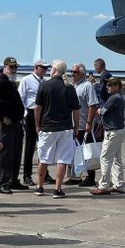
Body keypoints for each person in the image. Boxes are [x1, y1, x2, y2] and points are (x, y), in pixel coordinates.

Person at [33, 60, 80, 198]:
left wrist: (37, 124)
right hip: (65, 128)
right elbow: (76, 109)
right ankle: (57, 189)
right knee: (62, 159)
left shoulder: (44, 85)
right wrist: (76, 126)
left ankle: (39, 186)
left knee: (43, 158)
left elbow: (37, 108)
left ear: (53, 70)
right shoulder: (69, 87)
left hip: (47, 127)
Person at [0, 56, 24, 194]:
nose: (13, 70)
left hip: (15, 123)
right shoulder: (0, 82)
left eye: (15, 67)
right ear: (5, 67)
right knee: (4, 153)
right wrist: (2, 118)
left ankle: (12, 180)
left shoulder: (10, 82)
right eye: (11, 67)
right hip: (6, 124)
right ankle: (1, 183)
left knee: (15, 153)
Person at [90, 77, 125, 195]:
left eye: (110, 85)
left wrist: (99, 110)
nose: (107, 87)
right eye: (107, 85)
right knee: (116, 159)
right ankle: (118, 184)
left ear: (117, 86)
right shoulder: (120, 98)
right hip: (119, 130)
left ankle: (104, 186)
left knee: (105, 158)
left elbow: (102, 112)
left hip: (113, 131)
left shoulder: (114, 98)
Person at [70, 63, 100, 187]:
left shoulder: (87, 86)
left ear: (82, 73)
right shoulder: (73, 86)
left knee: (87, 152)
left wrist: (89, 122)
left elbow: (93, 105)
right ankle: (76, 175)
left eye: (75, 72)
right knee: (76, 152)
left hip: (84, 125)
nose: (72, 74)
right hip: (75, 126)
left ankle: (90, 176)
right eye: (71, 71)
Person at [18, 60, 47, 185]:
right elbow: (21, 98)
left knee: (45, 146)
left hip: (43, 114)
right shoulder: (26, 80)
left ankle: (45, 174)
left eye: (46, 68)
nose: (45, 70)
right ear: (36, 67)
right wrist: (24, 114)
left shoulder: (45, 82)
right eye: (43, 68)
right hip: (30, 113)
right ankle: (27, 175)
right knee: (30, 146)